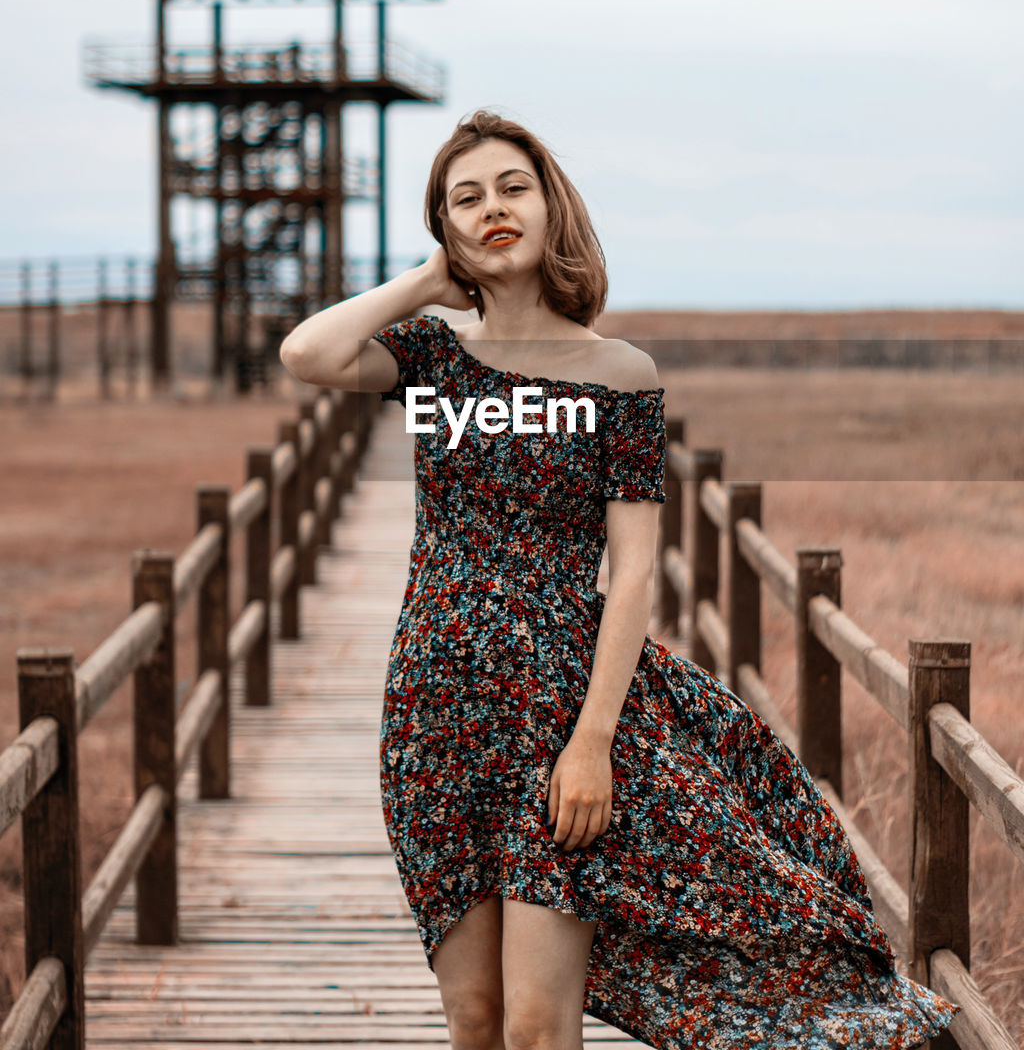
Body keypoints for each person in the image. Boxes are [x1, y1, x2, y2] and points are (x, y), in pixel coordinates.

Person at [279, 109, 960, 1050]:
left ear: (553, 206)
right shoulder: (431, 361)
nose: (493, 211)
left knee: (534, 1022)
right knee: (473, 1018)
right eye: (464, 200)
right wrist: (432, 281)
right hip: (435, 711)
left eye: (514, 188)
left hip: (561, 709)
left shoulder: (619, 375)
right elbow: (305, 354)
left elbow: (633, 569)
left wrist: (591, 742)